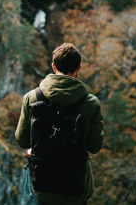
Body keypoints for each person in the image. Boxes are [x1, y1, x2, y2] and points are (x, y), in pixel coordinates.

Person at [15, 42, 104, 205]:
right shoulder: (91, 103)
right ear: (79, 68)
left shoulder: (31, 98)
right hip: (77, 186)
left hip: (44, 185)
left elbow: (22, 140)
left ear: (53, 66)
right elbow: (95, 146)